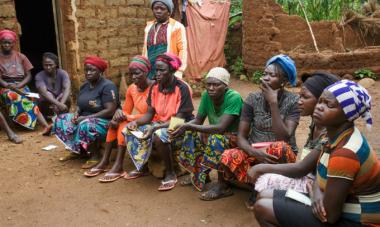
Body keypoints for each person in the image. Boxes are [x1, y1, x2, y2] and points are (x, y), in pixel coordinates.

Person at [251, 80, 380, 227]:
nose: (319, 107)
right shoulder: (332, 136)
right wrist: (316, 190)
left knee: (262, 208)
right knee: (264, 194)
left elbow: (330, 216)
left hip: (358, 220)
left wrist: (316, 192)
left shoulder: (345, 152)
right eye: (320, 101)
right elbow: (319, 172)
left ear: (348, 114)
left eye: (329, 105)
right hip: (335, 204)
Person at [203, 54, 300, 201]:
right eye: (265, 74)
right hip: (255, 150)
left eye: (272, 75)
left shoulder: (293, 101)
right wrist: (254, 152)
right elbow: (242, 136)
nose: (265, 78)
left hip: (279, 156)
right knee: (228, 154)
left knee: (280, 147)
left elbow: (284, 137)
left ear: (284, 80)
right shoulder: (252, 99)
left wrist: (273, 103)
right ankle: (246, 185)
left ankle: (263, 187)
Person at [249, 72, 339, 210]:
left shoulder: (329, 133)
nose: (299, 101)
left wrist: (260, 168)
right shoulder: (316, 124)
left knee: (264, 187)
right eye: (300, 96)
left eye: (305, 97)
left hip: (317, 187)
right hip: (312, 180)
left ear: (322, 100)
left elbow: (301, 168)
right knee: (263, 190)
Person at [122, 53, 194, 191]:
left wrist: (155, 128)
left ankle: (171, 173)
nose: (158, 73)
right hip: (160, 124)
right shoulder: (155, 87)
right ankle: (141, 166)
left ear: (172, 71)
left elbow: (179, 120)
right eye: (157, 70)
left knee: (159, 135)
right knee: (128, 130)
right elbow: (149, 114)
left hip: (181, 126)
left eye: (162, 70)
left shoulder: (183, 88)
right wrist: (135, 124)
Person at [171, 67, 243, 191]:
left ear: (225, 86)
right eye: (208, 84)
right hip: (216, 133)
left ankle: (222, 184)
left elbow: (221, 128)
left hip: (236, 138)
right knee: (190, 132)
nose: (211, 88)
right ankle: (200, 174)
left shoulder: (234, 97)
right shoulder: (206, 96)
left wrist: (188, 125)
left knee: (216, 139)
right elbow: (198, 120)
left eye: (216, 85)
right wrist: (182, 126)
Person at [83, 56, 154, 181]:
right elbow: (126, 110)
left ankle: (118, 165)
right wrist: (118, 116)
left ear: (146, 72)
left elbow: (154, 114)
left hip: (152, 120)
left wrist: (127, 116)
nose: (133, 77)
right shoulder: (132, 88)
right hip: (138, 119)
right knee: (117, 121)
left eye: (136, 73)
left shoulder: (155, 88)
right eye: (130, 74)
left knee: (123, 121)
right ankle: (105, 161)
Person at [53, 56, 118, 169]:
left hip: (106, 122)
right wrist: (77, 113)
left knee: (86, 125)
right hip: (85, 117)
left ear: (101, 71)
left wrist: (85, 118)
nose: (88, 73)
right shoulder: (84, 86)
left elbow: (110, 110)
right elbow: (80, 105)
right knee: (61, 119)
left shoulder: (108, 86)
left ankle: (95, 156)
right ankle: (78, 151)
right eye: (86, 70)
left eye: (92, 70)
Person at [0, 29, 50, 133]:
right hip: (5, 88)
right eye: (4, 42)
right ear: (1, 43)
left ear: (13, 43)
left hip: (21, 85)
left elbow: (28, 75)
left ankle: (46, 126)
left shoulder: (21, 57)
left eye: (9, 42)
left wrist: (19, 85)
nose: (6, 45)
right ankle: (29, 124)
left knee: (30, 97)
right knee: (14, 96)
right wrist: (8, 86)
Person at [143, 0, 187, 79]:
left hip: (168, 71)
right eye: (156, 8)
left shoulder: (177, 27)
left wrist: (179, 71)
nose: (158, 11)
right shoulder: (149, 28)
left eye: (162, 9)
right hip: (150, 71)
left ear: (169, 12)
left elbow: (182, 50)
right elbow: (145, 50)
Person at [35, 52, 71, 118]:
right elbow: (44, 93)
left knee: (66, 95)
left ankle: (62, 115)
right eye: (45, 65)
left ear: (56, 64)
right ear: (43, 65)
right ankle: (48, 116)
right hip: (47, 103)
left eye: (50, 65)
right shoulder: (39, 76)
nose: (48, 67)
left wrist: (61, 104)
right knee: (48, 94)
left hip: (60, 102)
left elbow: (67, 89)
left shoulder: (63, 73)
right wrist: (58, 104)